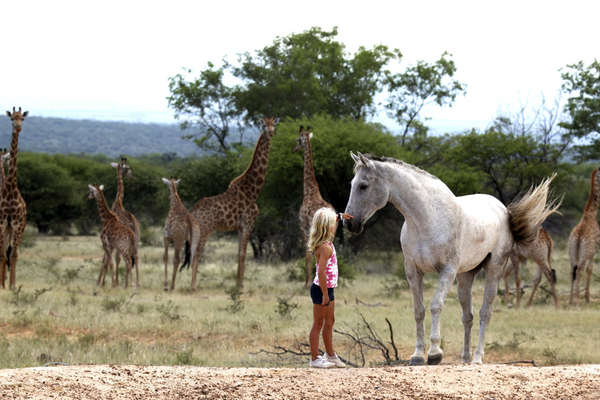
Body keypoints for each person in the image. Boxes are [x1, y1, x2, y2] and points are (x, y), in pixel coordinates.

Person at [307, 207, 352, 368]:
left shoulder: (327, 242)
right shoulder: (325, 247)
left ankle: (330, 355)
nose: (335, 224)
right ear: (326, 226)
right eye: (333, 223)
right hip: (321, 289)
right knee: (318, 323)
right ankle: (314, 359)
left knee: (330, 321)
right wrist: (325, 294)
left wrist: (339, 216)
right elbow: (321, 272)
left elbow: (332, 220)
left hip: (328, 289)